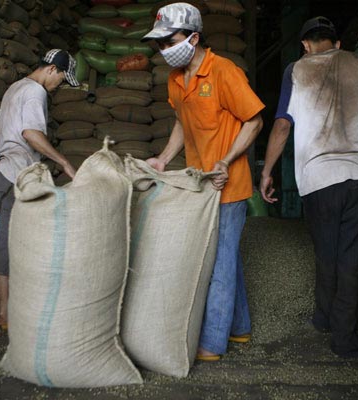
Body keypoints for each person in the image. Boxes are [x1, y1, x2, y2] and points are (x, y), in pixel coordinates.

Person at [260, 17, 358, 358]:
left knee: (327, 252)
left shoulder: (297, 70)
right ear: (338, 43)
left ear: (305, 45)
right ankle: (342, 334)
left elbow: (282, 126)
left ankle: (326, 319)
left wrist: (267, 172)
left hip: (318, 180)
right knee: (350, 257)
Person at [141, 3, 265, 361]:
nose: (164, 50)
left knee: (217, 262)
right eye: (160, 44)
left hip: (228, 183)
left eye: (170, 42)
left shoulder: (223, 71)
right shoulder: (175, 78)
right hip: (200, 185)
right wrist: (164, 158)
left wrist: (226, 159)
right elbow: (183, 121)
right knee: (225, 256)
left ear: (193, 38)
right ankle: (240, 327)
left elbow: (254, 121)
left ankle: (212, 342)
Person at [0, 49, 79, 331]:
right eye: (61, 79)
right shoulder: (36, 92)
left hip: (5, 173)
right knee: (13, 241)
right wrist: (64, 162)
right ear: (52, 70)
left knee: (13, 238)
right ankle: (6, 313)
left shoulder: (14, 88)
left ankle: (13, 309)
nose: (58, 86)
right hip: (18, 177)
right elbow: (30, 134)